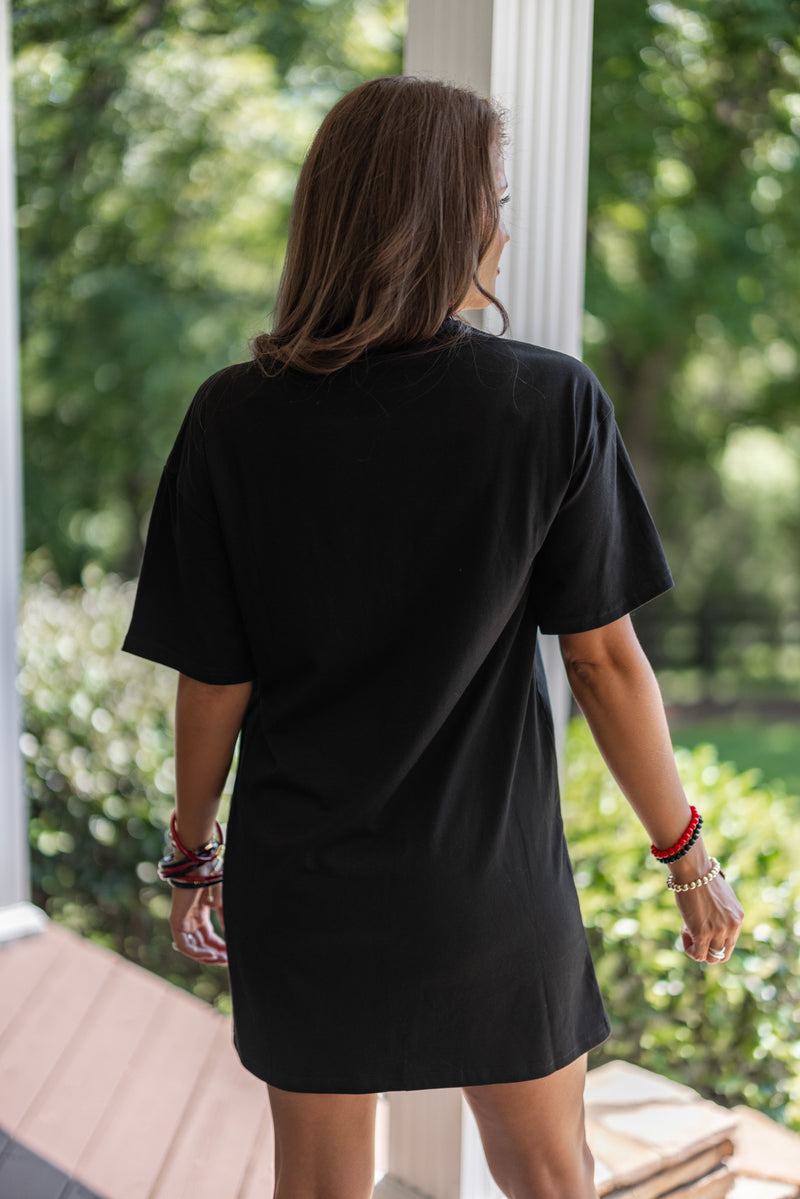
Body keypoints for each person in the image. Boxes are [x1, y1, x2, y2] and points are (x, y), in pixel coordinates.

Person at [123, 75, 744, 1199]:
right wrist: (684, 856)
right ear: (443, 219)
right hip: (489, 889)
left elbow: (214, 676)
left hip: (306, 886)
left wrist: (190, 851)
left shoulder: (232, 417)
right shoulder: (548, 406)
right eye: (491, 199)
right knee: (552, 1178)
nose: (503, 227)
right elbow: (602, 661)